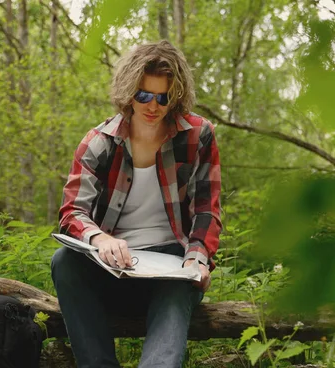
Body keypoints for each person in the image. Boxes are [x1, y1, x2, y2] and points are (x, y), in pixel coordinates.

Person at [51, 40, 222, 368]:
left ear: (176, 96)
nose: (152, 106)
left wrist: (198, 259)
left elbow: (207, 209)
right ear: (128, 90)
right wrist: (101, 240)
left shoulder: (199, 135)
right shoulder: (98, 143)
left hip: (173, 267)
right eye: (143, 95)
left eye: (163, 97)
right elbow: (72, 211)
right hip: (113, 270)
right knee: (65, 261)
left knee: (180, 276)